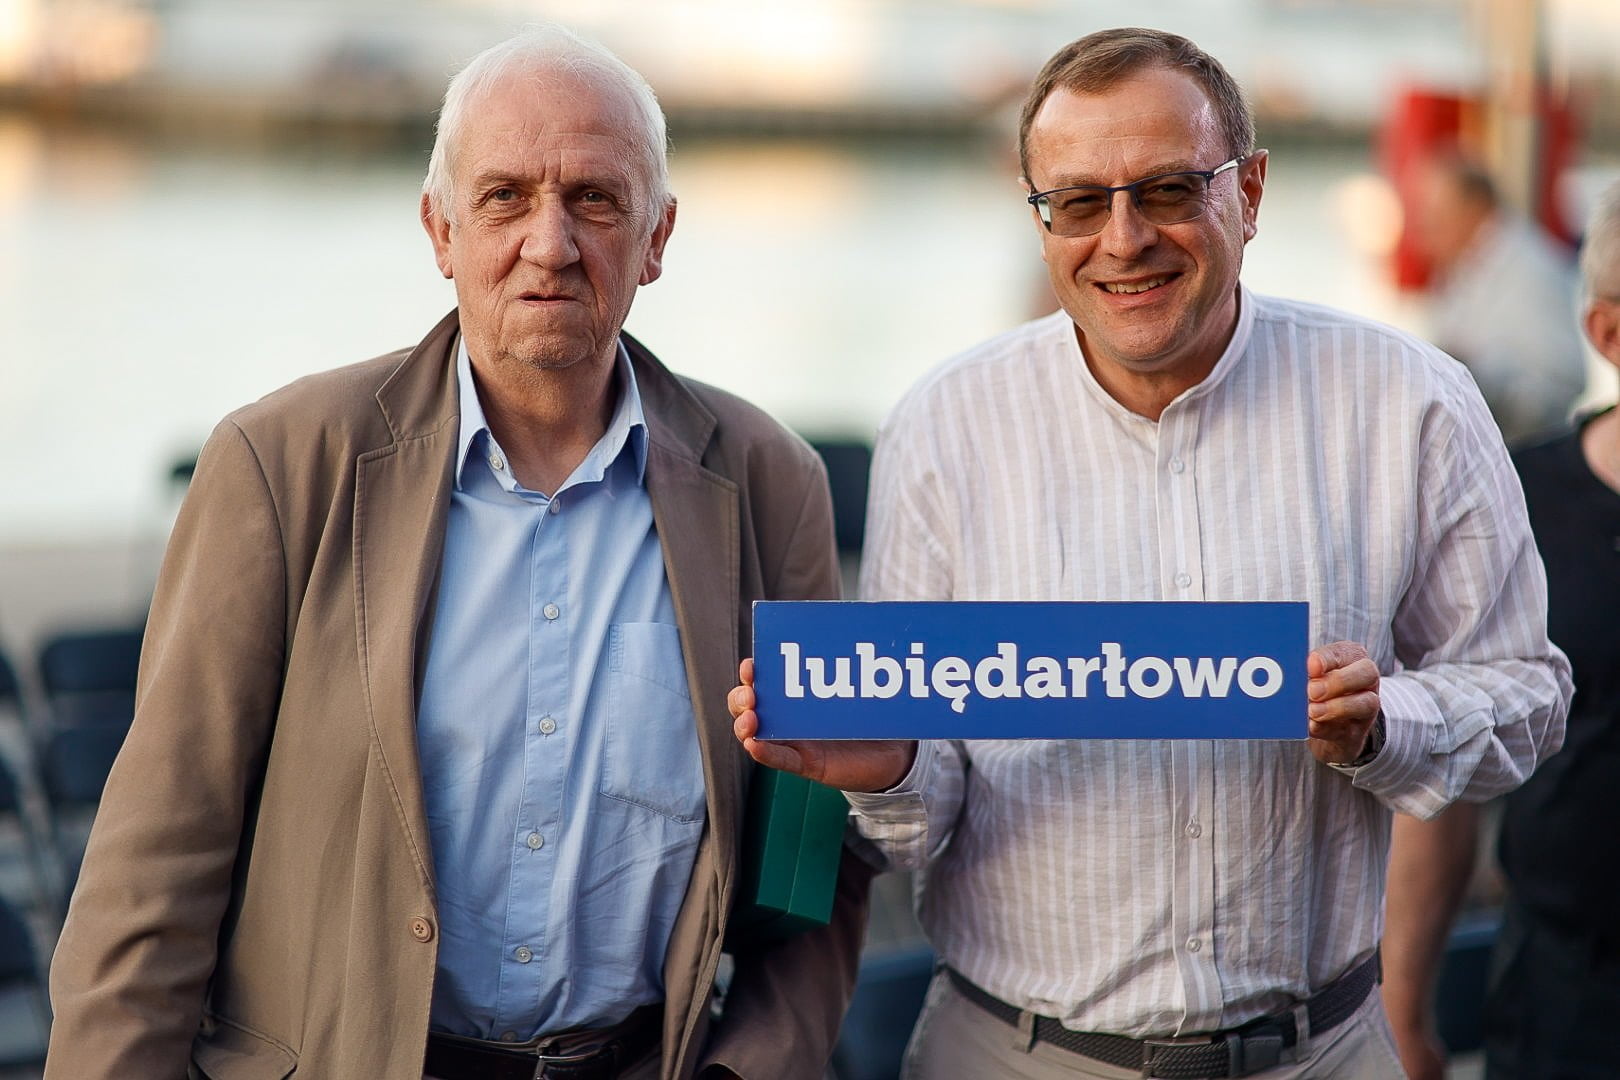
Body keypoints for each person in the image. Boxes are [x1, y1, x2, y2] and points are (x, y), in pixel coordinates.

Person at [728, 27, 1569, 1080]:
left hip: (1320, 1050)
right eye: (1080, 202)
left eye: (1169, 190)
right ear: (1040, 221)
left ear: (1249, 193)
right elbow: (920, 813)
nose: (1123, 240)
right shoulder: (944, 426)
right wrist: (891, 767)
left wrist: (1385, 722)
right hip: (1011, 1055)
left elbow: (1528, 696)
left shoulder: (1412, 402)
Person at [45, 26, 870, 1080]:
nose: (550, 244)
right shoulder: (281, 466)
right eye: (504, 198)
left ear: (657, 237)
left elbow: (812, 852)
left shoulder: (770, 485)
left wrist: (744, 1071)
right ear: (440, 229)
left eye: (595, 200)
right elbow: (158, 861)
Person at [1384, 178, 1620, 1080]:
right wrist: (1404, 1008)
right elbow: (1449, 765)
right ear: (1607, 333)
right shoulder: (1518, 504)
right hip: (1567, 1000)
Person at [1414, 153, 1588, 446]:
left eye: (1437, 217)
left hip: (1522, 459)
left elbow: (1565, 381)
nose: (1424, 230)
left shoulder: (1531, 268)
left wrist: (1474, 379)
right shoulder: (1459, 267)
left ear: (1474, 208)